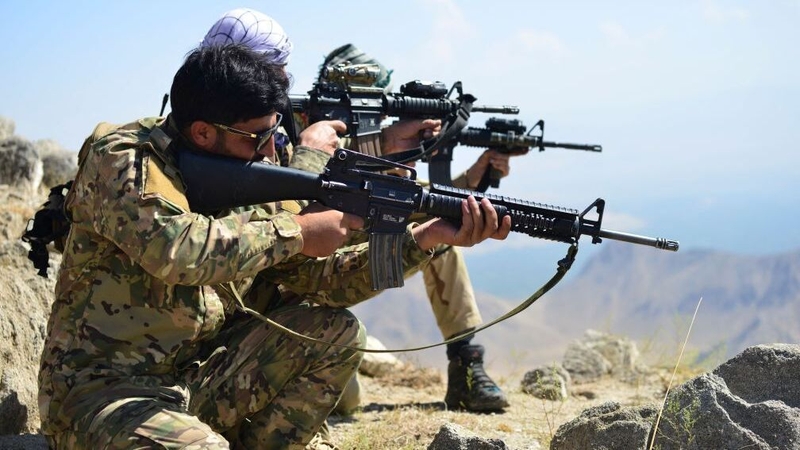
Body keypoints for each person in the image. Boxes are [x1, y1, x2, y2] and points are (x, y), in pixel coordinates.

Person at [37, 44, 509, 450]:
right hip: (105, 394)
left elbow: (319, 281)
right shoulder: (123, 159)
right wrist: (297, 230)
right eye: (258, 137)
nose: (270, 150)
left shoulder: (235, 165)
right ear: (202, 132)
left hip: (198, 378)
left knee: (334, 333)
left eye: (275, 133)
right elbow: (178, 250)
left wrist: (424, 240)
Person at [318, 44, 516, 413]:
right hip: (303, 279)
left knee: (440, 232)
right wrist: (384, 143)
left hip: (347, 261)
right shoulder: (296, 136)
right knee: (344, 403)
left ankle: (466, 365)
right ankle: (358, 351)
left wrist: (477, 175)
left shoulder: (376, 147)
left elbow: (421, 204)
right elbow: (313, 175)